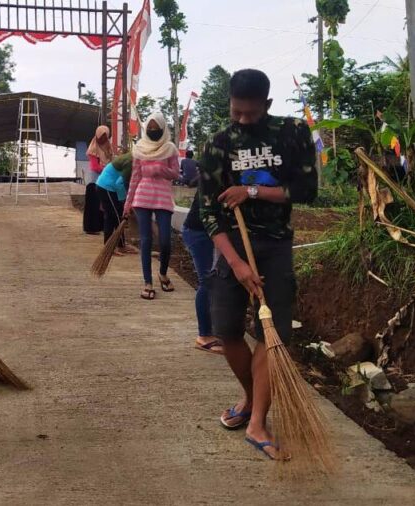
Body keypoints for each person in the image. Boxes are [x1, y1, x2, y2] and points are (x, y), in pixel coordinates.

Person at [198, 69, 317, 459]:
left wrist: (250, 191)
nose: (243, 120)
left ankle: (257, 422)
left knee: (272, 333)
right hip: (233, 245)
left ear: (267, 104)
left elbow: (306, 190)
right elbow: (208, 212)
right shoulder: (217, 144)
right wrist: (235, 264)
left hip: (276, 244)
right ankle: (251, 396)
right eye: (237, 113)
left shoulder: (292, 132)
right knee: (227, 329)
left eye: (251, 113)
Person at [124, 112, 180, 300]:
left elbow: (175, 174)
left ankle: (162, 273)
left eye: (156, 129)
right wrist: (128, 202)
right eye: (150, 129)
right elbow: (135, 177)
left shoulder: (170, 148)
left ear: (163, 129)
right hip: (142, 197)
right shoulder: (139, 148)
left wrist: (159, 169)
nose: (153, 132)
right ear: (145, 129)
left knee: (165, 241)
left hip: (163, 198)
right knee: (146, 241)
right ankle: (147, 282)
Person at [182, 185, 223, 355]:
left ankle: (215, 330)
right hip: (199, 231)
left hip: (215, 232)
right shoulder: (216, 174)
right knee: (207, 281)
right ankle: (204, 336)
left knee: (218, 280)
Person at [94, 152, 137, 256]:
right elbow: (120, 183)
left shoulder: (132, 157)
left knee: (113, 217)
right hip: (107, 187)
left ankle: (118, 245)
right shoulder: (131, 162)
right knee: (116, 217)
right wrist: (125, 200)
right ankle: (115, 247)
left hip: (107, 186)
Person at [83, 126, 112, 235]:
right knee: (93, 207)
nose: (102, 139)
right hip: (94, 182)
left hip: (105, 183)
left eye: (105, 137)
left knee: (102, 207)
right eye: (100, 136)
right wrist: (108, 169)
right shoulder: (93, 148)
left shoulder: (108, 147)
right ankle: (91, 228)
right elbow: (95, 167)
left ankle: (100, 227)